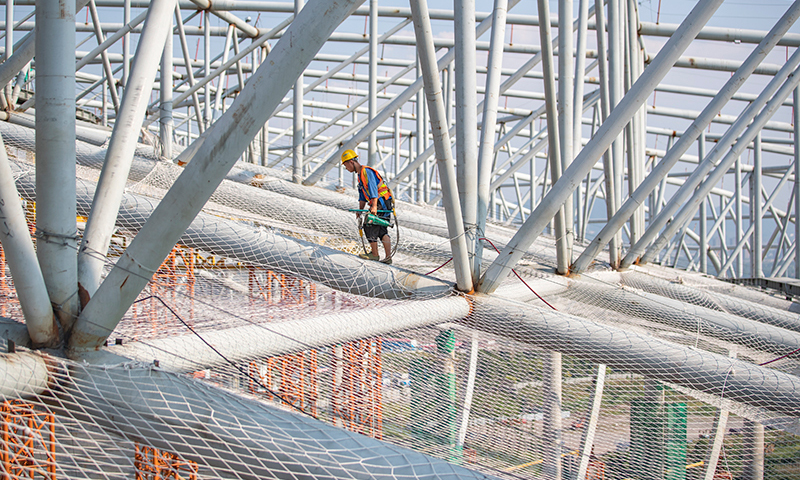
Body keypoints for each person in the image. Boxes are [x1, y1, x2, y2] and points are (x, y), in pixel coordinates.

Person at [341, 149, 394, 264]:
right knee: (381, 230)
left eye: (346, 165)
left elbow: (373, 189)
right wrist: (360, 210)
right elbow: (362, 195)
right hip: (383, 202)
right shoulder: (360, 176)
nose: (346, 168)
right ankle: (388, 257)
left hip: (381, 201)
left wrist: (374, 206)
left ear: (351, 162)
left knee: (368, 224)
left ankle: (374, 255)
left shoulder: (366, 172)